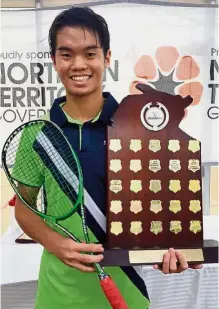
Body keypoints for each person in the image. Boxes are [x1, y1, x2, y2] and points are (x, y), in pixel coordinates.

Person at [14, 6, 202, 309]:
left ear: (107, 58)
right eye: (66, 54)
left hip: (126, 295)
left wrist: (172, 249)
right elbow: (24, 210)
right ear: (54, 61)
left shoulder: (138, 126)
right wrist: (56, 244)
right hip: (57, 297)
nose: (78, 65)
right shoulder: (38, 135)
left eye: (90, 54)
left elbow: (161, 205)